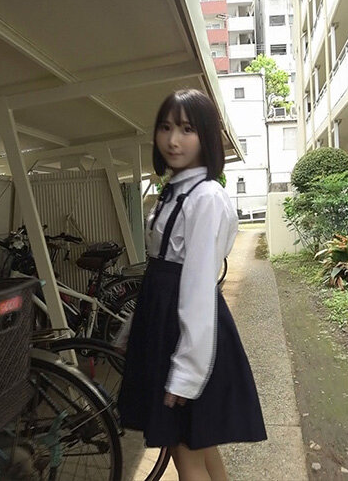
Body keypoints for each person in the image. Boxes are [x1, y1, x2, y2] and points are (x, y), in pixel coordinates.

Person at [117, 89, 266, 480]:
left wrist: (186, 375)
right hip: (167, 327)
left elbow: (198, 288)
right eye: (165, 127)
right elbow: (158, 276)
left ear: (206, 135)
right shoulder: (175, 191)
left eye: (186, 129)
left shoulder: (206, 197)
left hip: (186, 336)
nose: (172, 140)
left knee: (185, 453)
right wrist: (134, 326)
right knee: (197, 443)